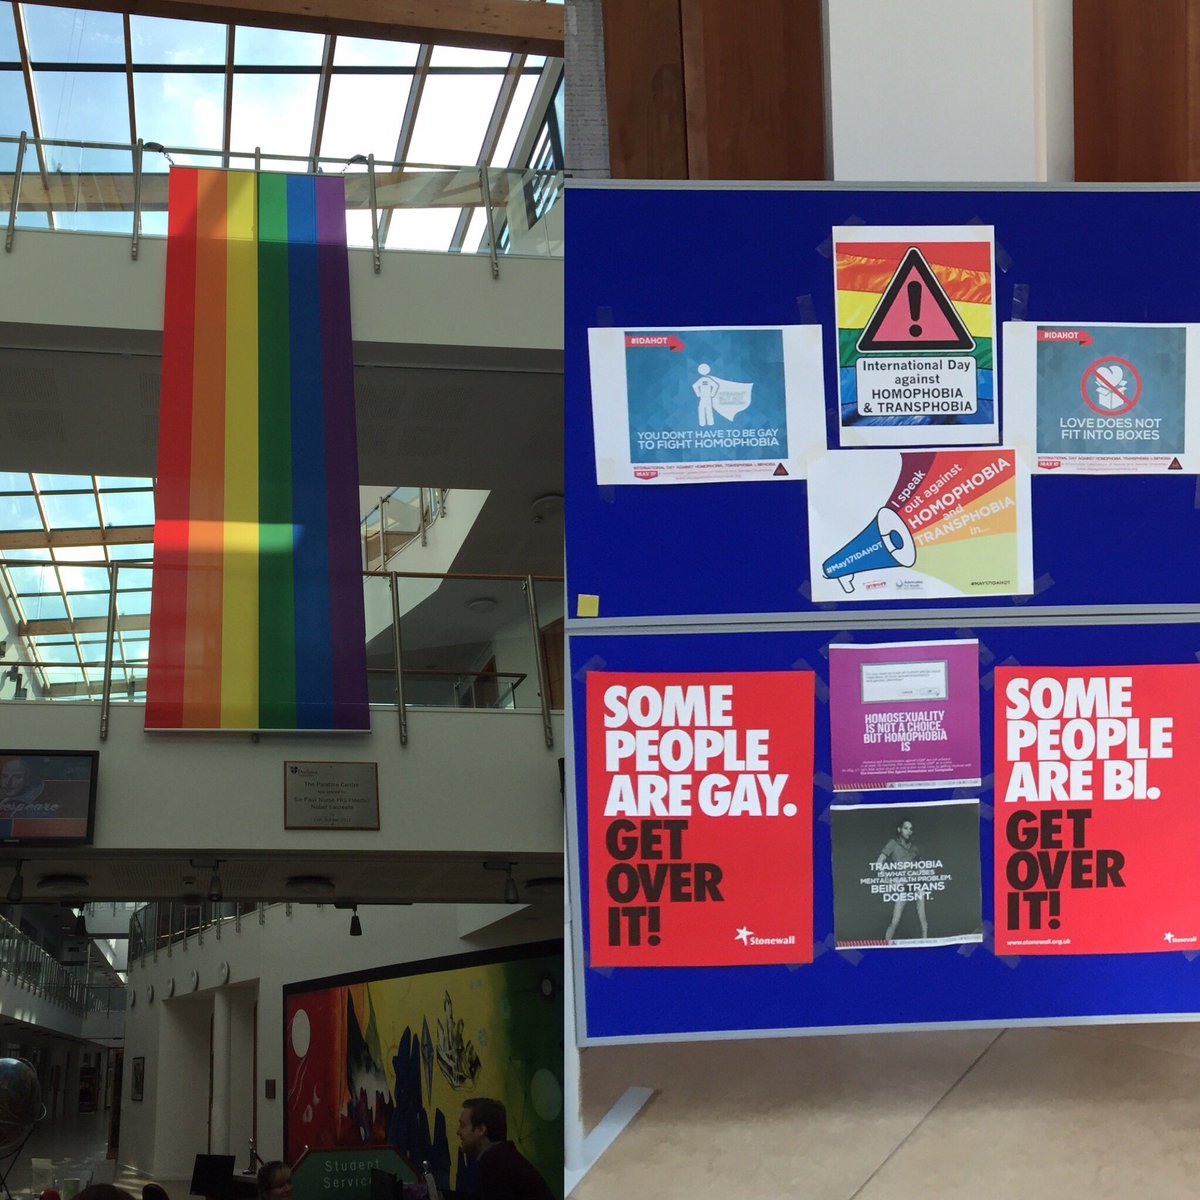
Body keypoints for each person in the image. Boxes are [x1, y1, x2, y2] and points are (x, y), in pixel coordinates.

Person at [455, 1098, 553, 1200]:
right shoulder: (506, 1158)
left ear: (481, 1130)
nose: (458, 1131)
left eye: (463, 1125)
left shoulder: (494, 1162)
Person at [875, 816, 929, 942]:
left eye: (910, 829)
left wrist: (924, 874)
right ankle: (886, 945)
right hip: (903, 885)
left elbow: (923, 864)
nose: (909, 831)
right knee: (895, 920)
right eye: (905, 828)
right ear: (899, 829)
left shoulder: (914, 846)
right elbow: (879, 863)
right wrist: (888, 880)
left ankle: (925, 943)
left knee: (922, 918)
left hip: (918, 883)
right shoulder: (893, 844)